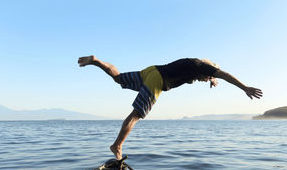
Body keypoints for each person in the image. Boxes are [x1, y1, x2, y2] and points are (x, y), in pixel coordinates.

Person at [78, 55, 263, 160]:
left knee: (118, 78)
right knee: (136, 115)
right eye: (207, 77)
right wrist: (245, 88)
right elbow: (226, 75)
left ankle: (96, 61)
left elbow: (212, 74)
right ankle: (117, 146)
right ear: (209, 70)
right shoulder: (203, 67)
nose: (205, 80)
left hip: (151, 71)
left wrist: (212, 79)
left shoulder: (197, 64)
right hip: (157, 80)